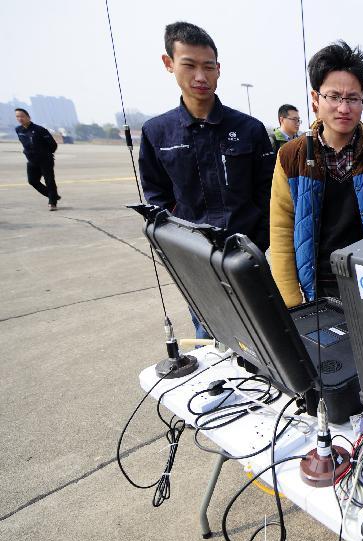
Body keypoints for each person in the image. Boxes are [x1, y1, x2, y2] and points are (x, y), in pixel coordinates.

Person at [139, 21, 275, 339]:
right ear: (168, 63)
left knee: (264, 338)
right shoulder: (157, 132)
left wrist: (258, 245)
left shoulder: (250, 130)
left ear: (218, 69)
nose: (200, 77)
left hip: (247, 257)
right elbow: (156, 199)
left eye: (208, 67)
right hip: (195, 263)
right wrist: (179, 249)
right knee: (210, 337)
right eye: (189, 65)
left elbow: (270, 195)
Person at [270, 41, 363, 306]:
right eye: (334, 97)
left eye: (352, 98)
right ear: (315, 99)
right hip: (315, 286)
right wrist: (293, 300)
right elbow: (281, 231)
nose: (344, 108)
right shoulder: (291, 156)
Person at [14, 108, 60, 211]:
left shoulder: (40, 129)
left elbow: (53, 145)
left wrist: (45, 154)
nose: (20, 118)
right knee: (32, 181)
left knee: (49, 181)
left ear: (28, 117)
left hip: (45, 160)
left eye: (22, 116)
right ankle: (53, 196)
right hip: (31, 161)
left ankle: (52, 202)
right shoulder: (18, 130)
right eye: (17, 116)